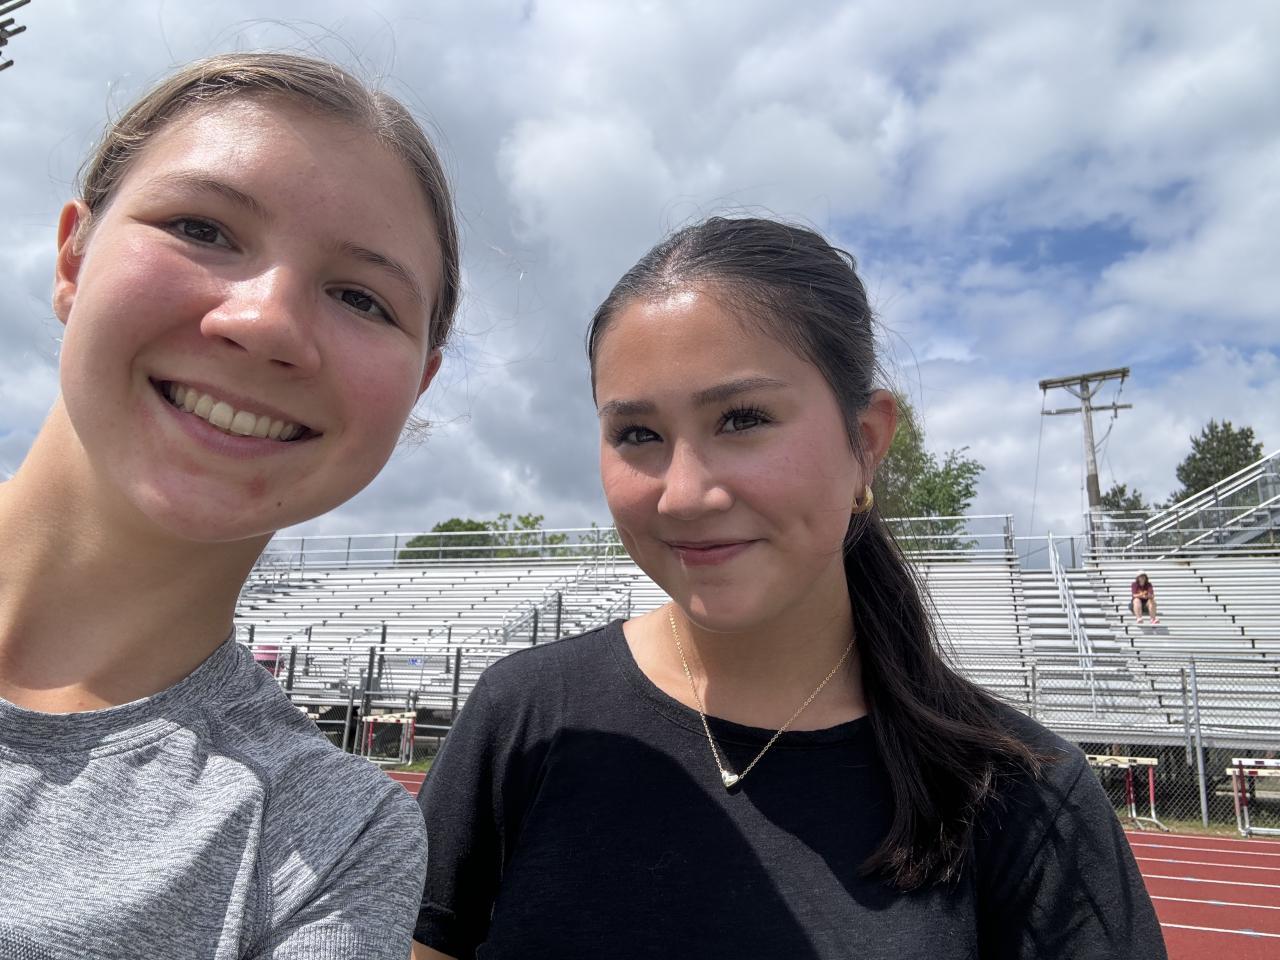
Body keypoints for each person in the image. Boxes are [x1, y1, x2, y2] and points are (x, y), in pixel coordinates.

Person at [412, 217, 1166, 960]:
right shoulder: (523, 718)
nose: (684, 495)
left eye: (742, 419)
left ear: (865, 442)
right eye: (637, 434)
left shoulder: (1029, 801)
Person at [0, 52, 459, 959]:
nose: (266, 322)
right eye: (201, 229)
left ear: (419, 386)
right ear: (73, 257)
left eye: (361, 298)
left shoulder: (335, 841)